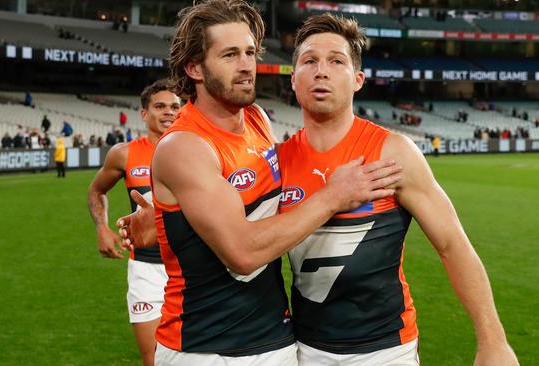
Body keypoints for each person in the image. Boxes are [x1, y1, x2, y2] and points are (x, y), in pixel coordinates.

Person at [116, 1, 400, 364]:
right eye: (230, 55)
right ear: (194, 67)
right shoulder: (183, 146)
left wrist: (165, 218)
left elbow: (265, 193)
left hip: (275, 337)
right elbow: (243, 254)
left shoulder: (256, 119)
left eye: (250, 52)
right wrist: (334, 196)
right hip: (210, 348)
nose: (246, 65)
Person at [276, 13, 517, 365]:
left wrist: (492, 340)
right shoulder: (278, 163)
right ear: (294, 79)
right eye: (309, 61)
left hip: (386, 351)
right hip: (305, 350)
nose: (321, 71)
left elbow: (453, 244)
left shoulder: (393, 152)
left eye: (336, 61)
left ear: (357, 80)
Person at [88, 80, 181, 366]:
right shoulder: (124, 154)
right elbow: (96, 190)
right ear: (144, 113)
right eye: (160, 106)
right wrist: (102, 227)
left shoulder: (198, 150)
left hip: (191, 267)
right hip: (146, 270)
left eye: (175, 106)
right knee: (153, 358)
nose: (169, 112)